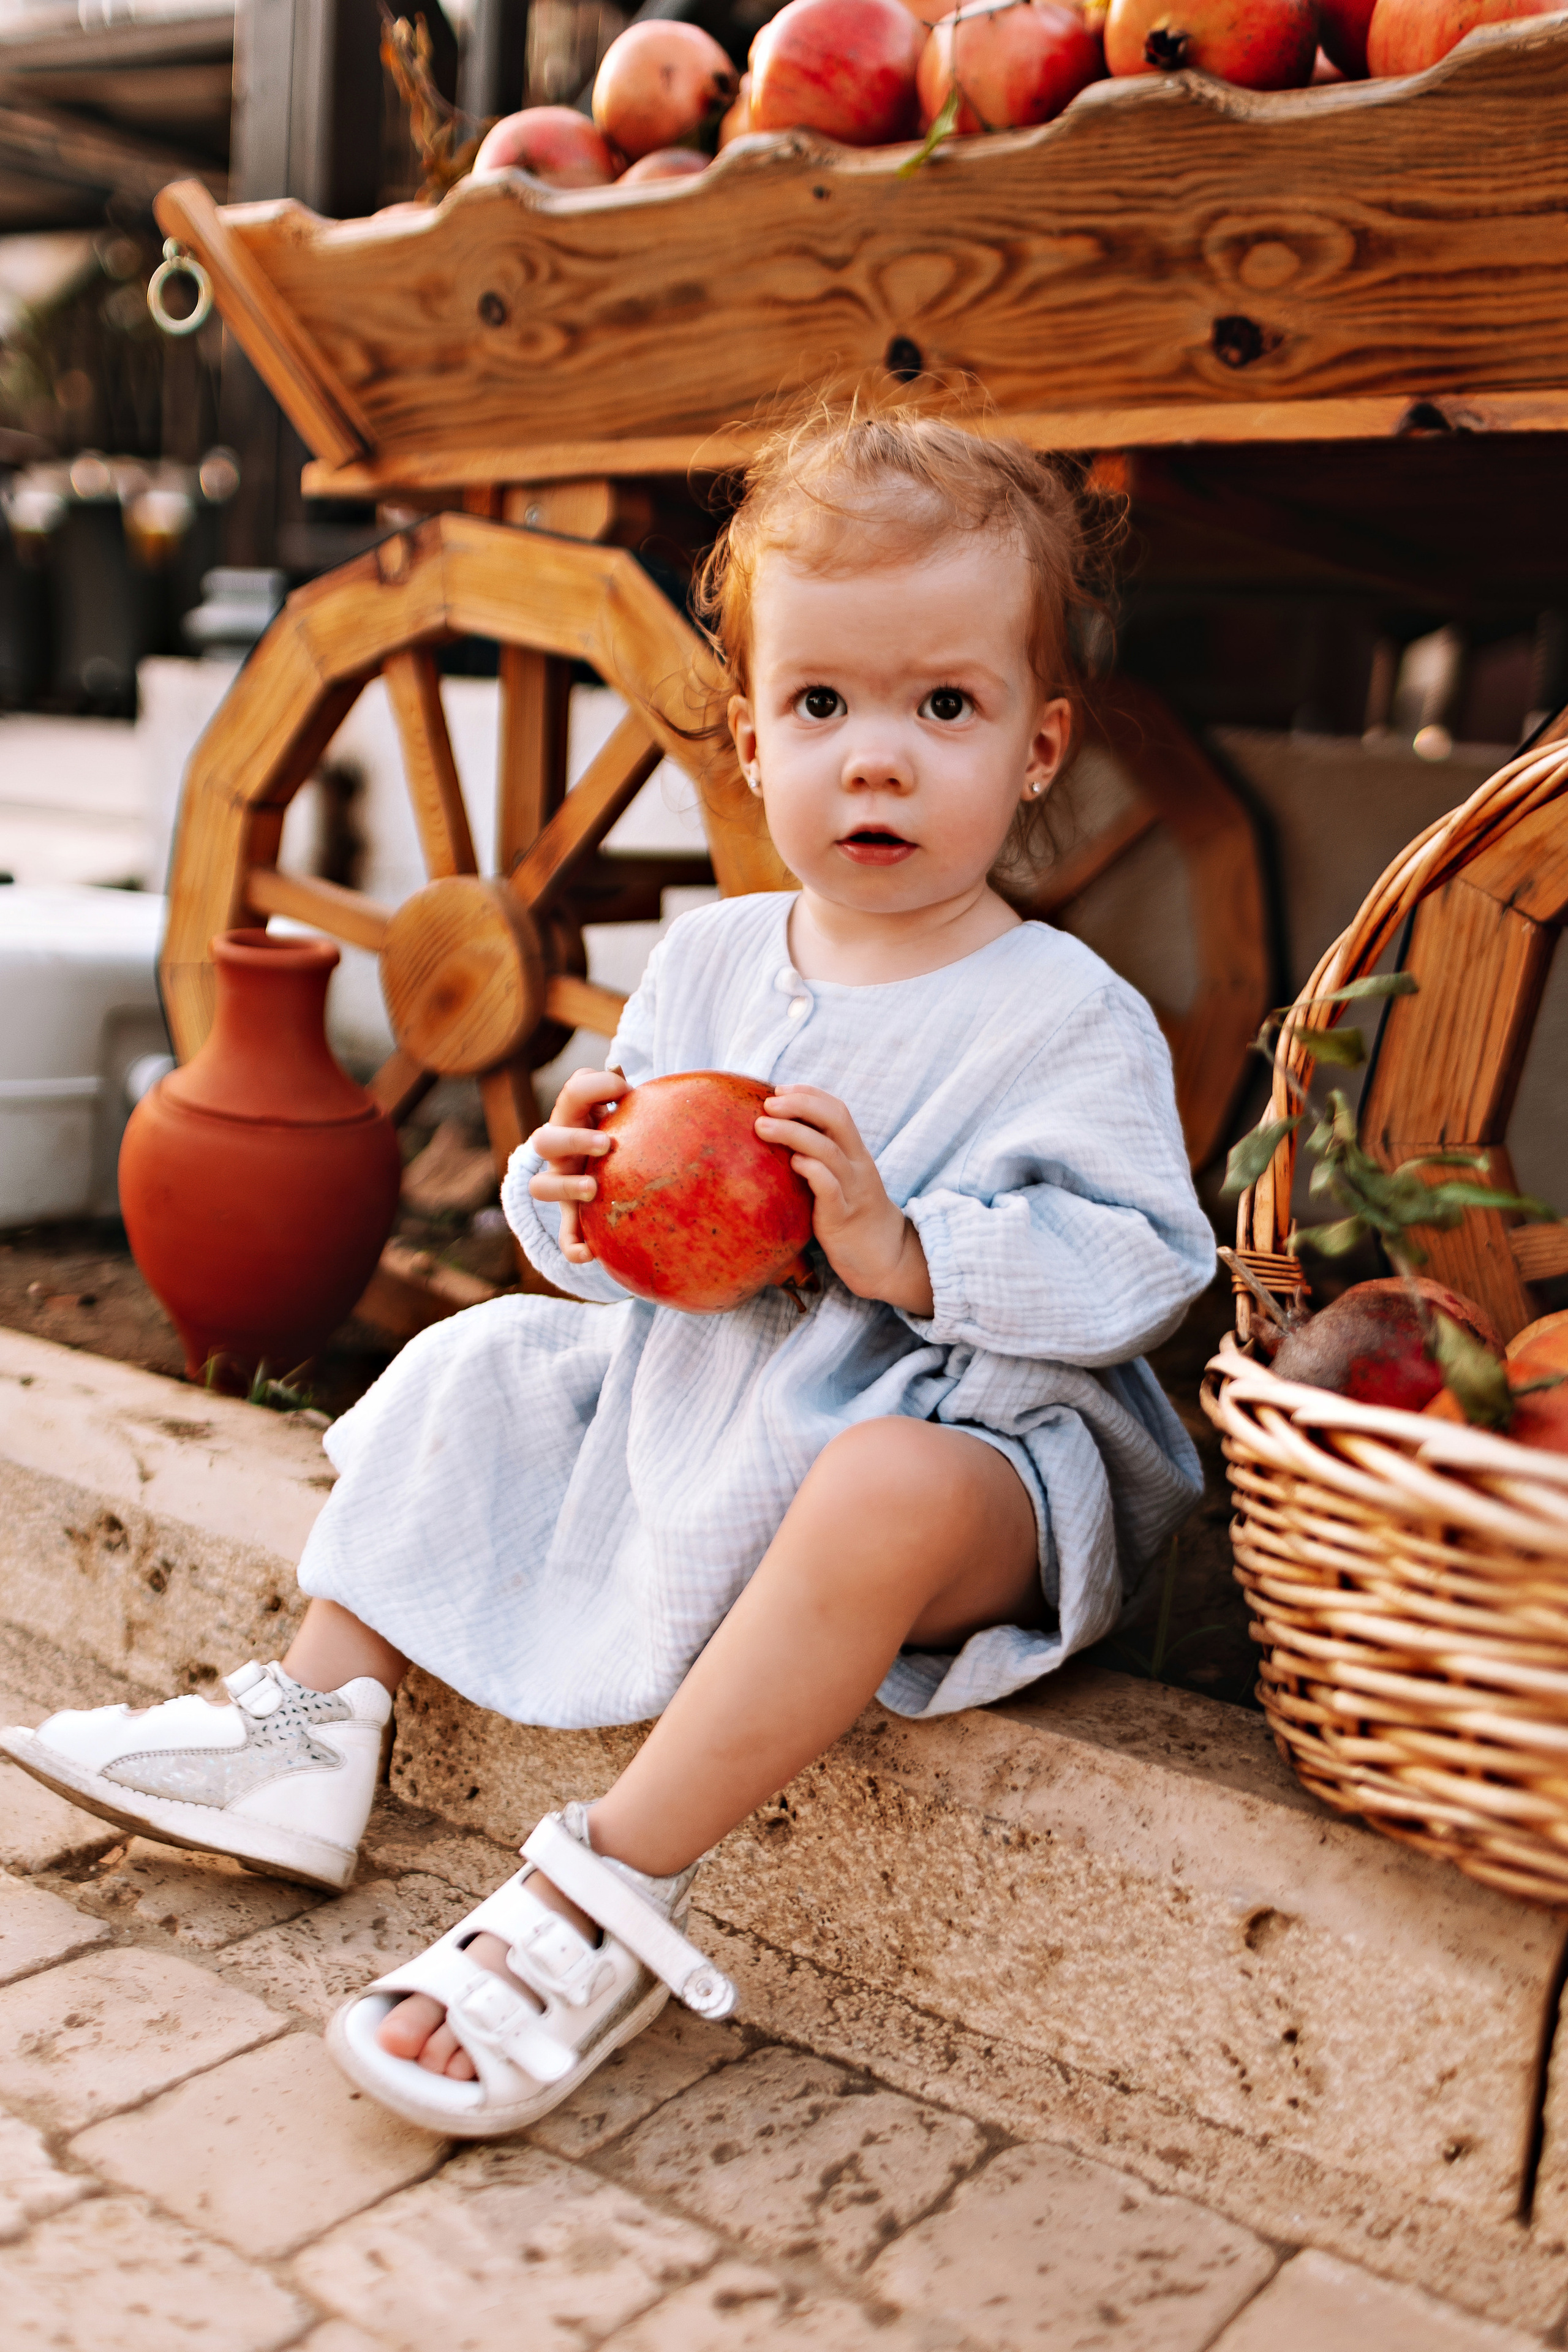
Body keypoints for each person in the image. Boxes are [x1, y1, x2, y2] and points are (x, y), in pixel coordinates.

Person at [1, 407, 1213, 2136]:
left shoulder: (1063, 1012)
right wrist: (568, 1192)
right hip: (716, 1389)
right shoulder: (712, 956)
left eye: (944, 706)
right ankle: (313, 1728)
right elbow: (610, 1260)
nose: (877, 759)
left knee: (878, 1485)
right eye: (822, 706)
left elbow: (1143, 1269)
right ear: (748, 735)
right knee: (487, 1356)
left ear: (1039, 745)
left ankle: (600, 1891)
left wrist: (904, 1246)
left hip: (972, 1446)